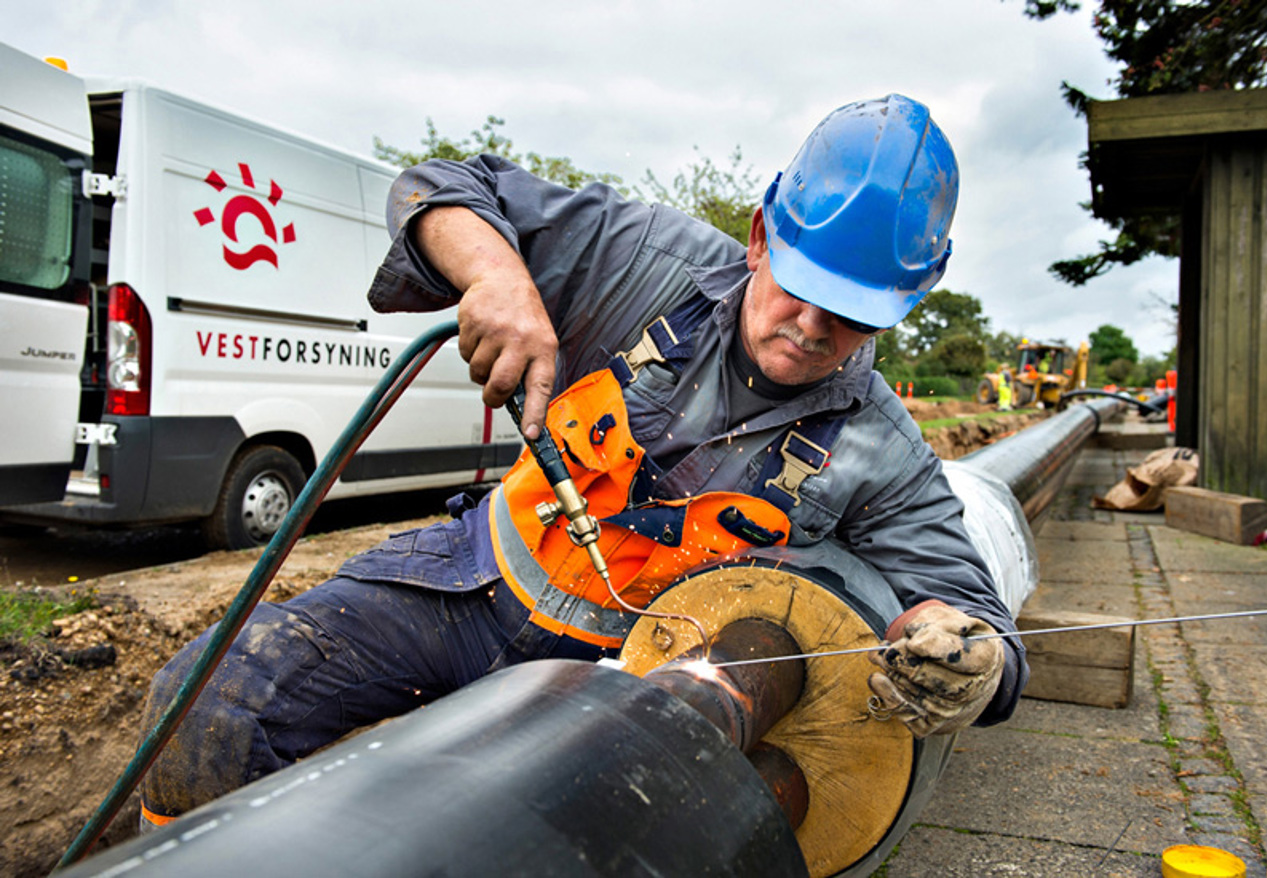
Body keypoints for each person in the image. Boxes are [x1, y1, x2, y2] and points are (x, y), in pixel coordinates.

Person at [138, 95, 1027, 826]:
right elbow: (446, 186)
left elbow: (978, 622)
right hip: (469, 588)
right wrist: (497, 278)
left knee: (500, 831)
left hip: (629, 682)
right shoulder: (642, 262)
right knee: (214, 701)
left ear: (904, 303)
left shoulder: (884, 450)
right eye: (799, 290)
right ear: (761, 237)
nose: (811, 328)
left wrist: (971, 660)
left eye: (852, 314)